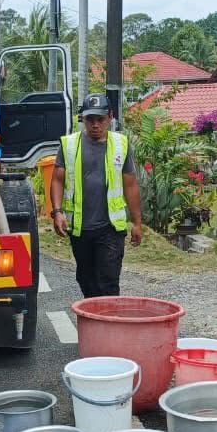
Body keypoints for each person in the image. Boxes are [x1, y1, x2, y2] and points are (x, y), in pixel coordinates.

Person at [48, 93, 144, 297]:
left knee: (108, 283)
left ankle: (109, 327)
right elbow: (57, 179)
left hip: (110, 229)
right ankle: (94, 325)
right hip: (80, 230)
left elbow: (130, 185)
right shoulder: (69, 145)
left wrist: (137, 222)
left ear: (110, 117)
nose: (95, 125)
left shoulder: (121, 145)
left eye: (100, 119)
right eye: (90, 119)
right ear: (83, 118)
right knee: (86, 280)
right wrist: (57, 212)